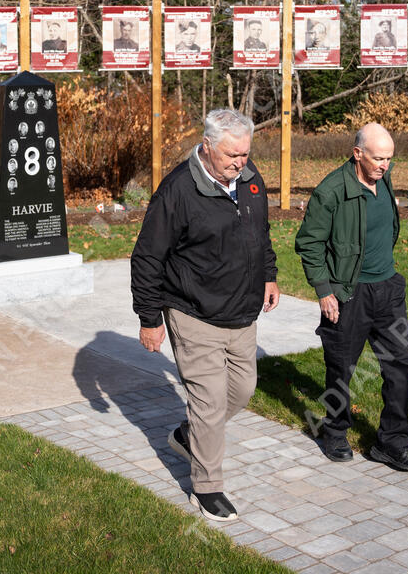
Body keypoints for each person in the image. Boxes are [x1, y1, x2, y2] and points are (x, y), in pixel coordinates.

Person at [131, 108, 280, 522]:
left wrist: (268, 275)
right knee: (210, 403)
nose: (240, 163)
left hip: (241, 312)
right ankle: (207, 488)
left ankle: (188, 434)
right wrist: (149, 317)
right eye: (232, 155)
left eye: (245, 154)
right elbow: (147, 258)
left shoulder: (250, 182)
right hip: (192, 310)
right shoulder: (178, 190)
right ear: (207, 146)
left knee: (243, 390)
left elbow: (260, 234)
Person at [294, 123, 408, 472]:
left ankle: (392, 444)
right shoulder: (332, 190)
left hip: (388, 290)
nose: (385, 165)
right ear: (357, 154)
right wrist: (324, 291)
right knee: (341, 368)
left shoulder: (383, 177)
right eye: (378, 158)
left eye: (389, 159)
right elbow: (309, 243)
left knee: (399, 367)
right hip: (348, 293)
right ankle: (335, 431)